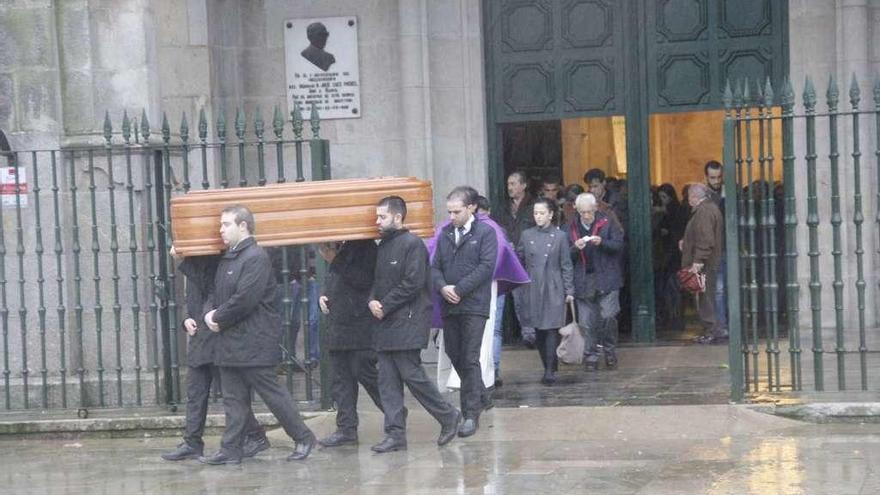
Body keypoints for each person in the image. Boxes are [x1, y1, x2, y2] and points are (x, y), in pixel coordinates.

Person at [200, 205, 316, 465]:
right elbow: (214, 293)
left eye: (226, 224)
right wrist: (209, 314)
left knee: (274, 396)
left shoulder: (256, 257)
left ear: (243, 226)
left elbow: (245, 299)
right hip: (229, 342)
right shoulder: (229, 257)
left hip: (254, 342)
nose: (221, 229)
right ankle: (230, 449)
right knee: (233, 401)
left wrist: (216, 317)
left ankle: (303, 437)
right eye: (220, 224)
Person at [369, 196, 461, 453]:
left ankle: (448, 415)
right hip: (386, 323)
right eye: (377, 216)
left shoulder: (412, 245)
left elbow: (413, 284)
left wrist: (383, 304)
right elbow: (376, 281)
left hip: (407, 321)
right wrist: (372, 301)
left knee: (412, 376)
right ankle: (395, 434)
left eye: (382, 216)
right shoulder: (383, 246)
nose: (377, 221)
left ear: (398, 217)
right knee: (387, 381)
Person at [161, 247, 268, 462]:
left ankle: (255, 435)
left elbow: (209, 288)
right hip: (200, 333)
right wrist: (186, 318)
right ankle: (192, 442)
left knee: (230, 394)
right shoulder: (195, 259)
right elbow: (191, 296)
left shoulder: (216, 258)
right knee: (196, 392)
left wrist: (184, 259)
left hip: (213, 333)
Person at [431, 186, 498, 437]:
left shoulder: (485, 233)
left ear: (471, 208)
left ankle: (470, 414)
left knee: (469, 356)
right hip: (450, 303)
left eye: (456, 211)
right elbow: (435, 266)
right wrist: (442, 286)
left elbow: (486, 267)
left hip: (473, 304)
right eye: (449, 212)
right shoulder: (446, 233)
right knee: (454, 352)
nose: (451, 217)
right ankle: (480, 393)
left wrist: (459, 288)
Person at [316, 239, 385, 447]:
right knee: (341, 380)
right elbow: (334, 282)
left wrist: (334, 259)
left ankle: (394, 410)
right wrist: (323, 297)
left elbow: (362, 280)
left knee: (365, 372)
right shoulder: (343, 248)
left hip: (359, 325)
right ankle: (346, 428)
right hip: (339, 325)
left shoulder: (366, 248)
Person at [516, 198, 574, 385]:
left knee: (551, 328)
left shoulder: (560, 236)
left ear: (550, 214)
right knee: (538, 329)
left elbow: (566, 264)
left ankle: (550, 370)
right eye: (535, 213)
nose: (538, 216)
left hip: (553, 285)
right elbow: (519, 259)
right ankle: (548, 364)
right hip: (533, 285)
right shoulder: (526, 235)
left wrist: (569, 289)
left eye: (542, 213)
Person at [568, 193, 625, 370]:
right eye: (582, 212)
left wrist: (603, 242)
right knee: (586, 321)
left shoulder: (608, 222)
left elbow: (619, 245)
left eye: (589, 211)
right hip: (584, 278)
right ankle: (590, 356)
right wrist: (574, 248)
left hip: (607, 276)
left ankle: (609, 350)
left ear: (596, 208)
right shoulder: (570, 227)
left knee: (608, 316)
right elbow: (564, 255)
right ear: (576, 210)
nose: (586, 215)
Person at [491, 170, 537, 347]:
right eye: (508, 184)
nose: (510, 187)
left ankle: (529, 333)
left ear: (523, 185)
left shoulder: (534, 206)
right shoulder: (502, 208)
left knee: (524, 297)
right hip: (506, 257)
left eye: (513, 184)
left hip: (528, 258)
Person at [680, 184, 725, 344]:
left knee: (706, 298)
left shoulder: (704, 211)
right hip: (709, 262)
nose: (688, 200)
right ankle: (711, 330)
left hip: (705, 264)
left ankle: (710, 331)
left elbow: (706, 240)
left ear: (694, 196)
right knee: (708, 296)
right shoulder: (709, 208)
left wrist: (697, 262)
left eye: (689, 197)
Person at [704, 160, 727, 339]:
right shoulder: (704, 196)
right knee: (717, 289)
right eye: (713, 177)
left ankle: (725, 323)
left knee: (729, 288)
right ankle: (720, 325)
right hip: (713, 249)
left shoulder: (729, 193)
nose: (716, 181)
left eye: (719, 177)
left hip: (728, 246)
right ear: (706, 177)